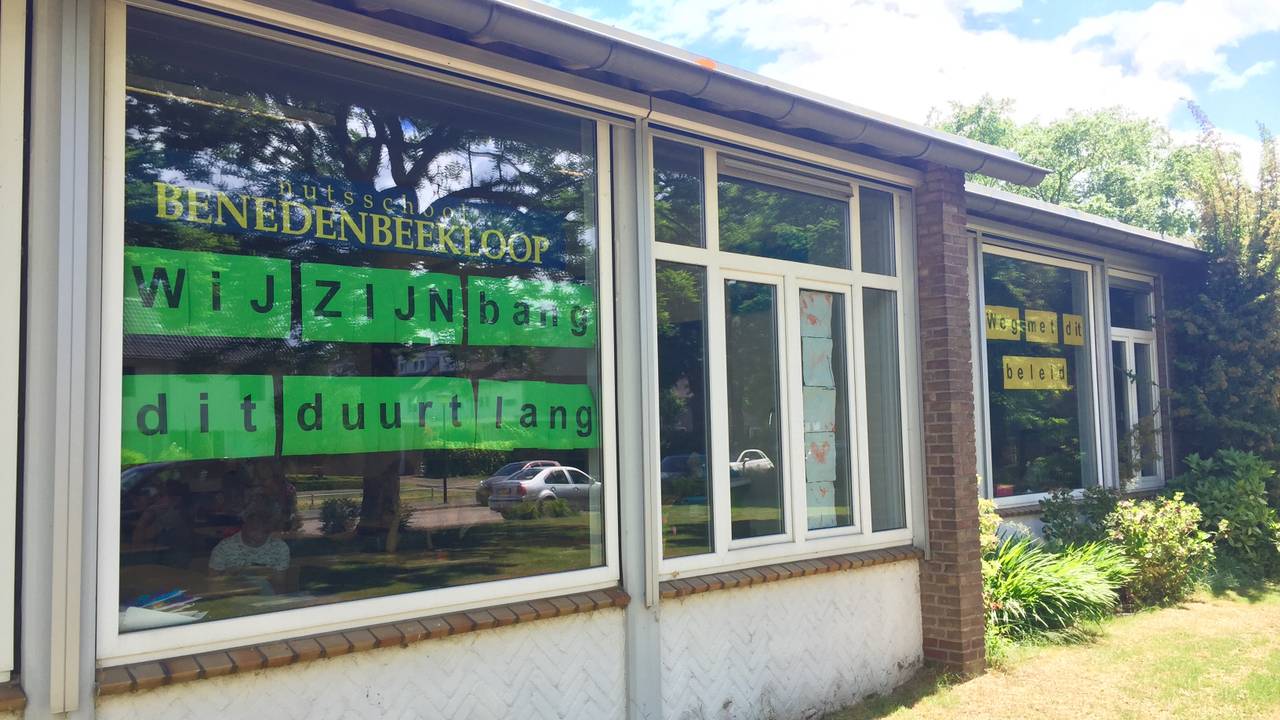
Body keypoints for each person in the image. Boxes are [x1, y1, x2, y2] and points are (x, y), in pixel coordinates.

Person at [209, 490, 291, 579]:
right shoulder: (224, 549)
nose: (259, 536)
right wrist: (230, 575)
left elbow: (279, 587)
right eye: (254, 529)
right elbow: (213, 586)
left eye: (266, 532)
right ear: (245, 522)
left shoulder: (280, 548)